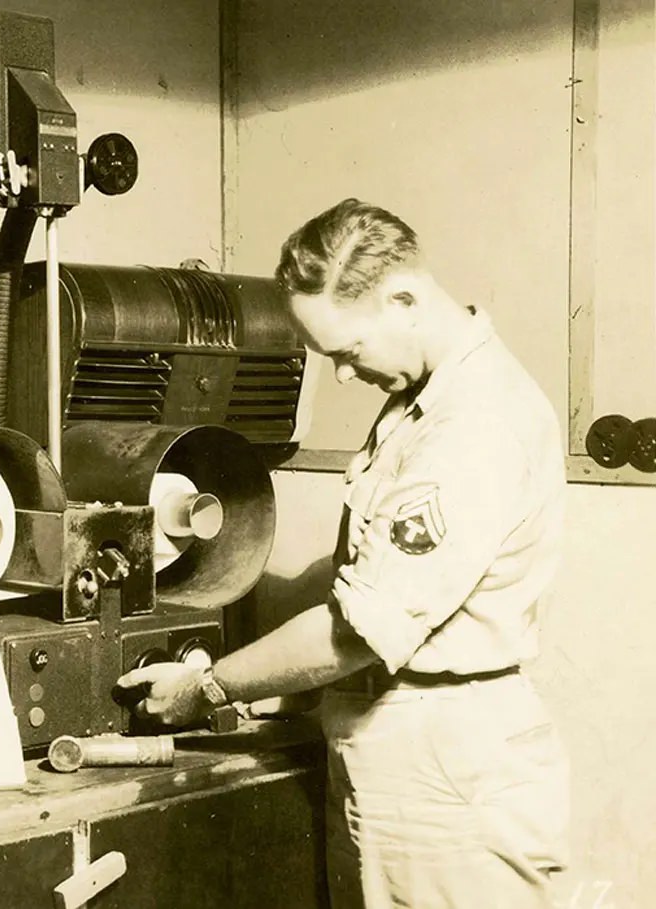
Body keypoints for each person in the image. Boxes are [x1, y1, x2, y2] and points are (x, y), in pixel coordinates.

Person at [115, 199, 570, 908]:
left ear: (406, 298)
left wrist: (207, 689)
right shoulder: (422, 398)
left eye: (348, 352)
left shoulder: (472, 425)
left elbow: (355, 632)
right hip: (403, 743)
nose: (347, 376)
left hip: (444, 764)